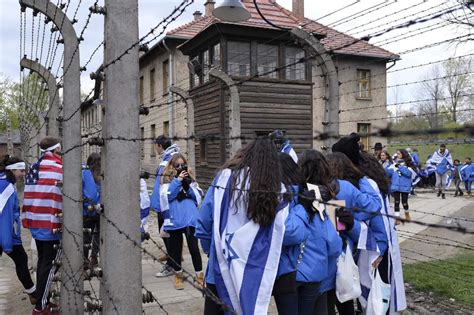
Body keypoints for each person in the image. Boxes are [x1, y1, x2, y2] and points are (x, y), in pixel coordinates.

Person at [196, 138, 288, 315]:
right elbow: (283, 231)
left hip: (219, 269)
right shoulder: (277, 189)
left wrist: (213, 251)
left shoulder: (224, 180)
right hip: (253, 271)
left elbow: (204, 223)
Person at [357, 152, 407, 314]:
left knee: (377, 293)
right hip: (383, 243)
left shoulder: (367, 184)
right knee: (381, 291)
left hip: (377, 246)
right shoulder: (377, 182)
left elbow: (375, 216)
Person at [298, 150, 343, 315]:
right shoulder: (332, 195)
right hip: (324, 271)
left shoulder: (295, 194)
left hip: (296, 271)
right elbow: (336, 239)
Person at [22, 137, 62, 314]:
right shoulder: (59, 168)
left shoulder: (33, 168)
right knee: (50, 264)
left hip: (36, 222)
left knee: (43, 263)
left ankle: (41, 298)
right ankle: (41, 307)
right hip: (51, 223)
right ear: (56, 150)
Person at [272, 153, 311, 315]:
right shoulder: (300, 194)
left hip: (286, 266)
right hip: (301, 266)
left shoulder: (292, 194)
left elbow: (292, 232)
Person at [158, 153, 203, 290]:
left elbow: (198, 196)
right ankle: (178, 276)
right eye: (177, 165)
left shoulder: (191, 180)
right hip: (175, 221)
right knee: (176, 251)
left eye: (182, 164)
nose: (180, 167)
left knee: (194, 249)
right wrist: (177, 181)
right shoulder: (166, 181)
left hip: (190, 220)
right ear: (171, 165)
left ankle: (200, 276)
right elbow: (166, 197)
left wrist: (188, 187)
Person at [0, 155, 37, 306]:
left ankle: (33, 293)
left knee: (21, 259)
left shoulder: (5, 182)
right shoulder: (7, 187)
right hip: (6, 235)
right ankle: (34, 294)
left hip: (6, 234)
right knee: (21, 259)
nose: (23, 173)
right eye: (21, 170)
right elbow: (5, 217)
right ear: (12, 170)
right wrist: (7, 243)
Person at [150, 135, 180, 272]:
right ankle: (172, 256)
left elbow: (163, 185)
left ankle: (173, 263)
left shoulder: (169, 160)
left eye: (155, 145)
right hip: (164, 202)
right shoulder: (169, 157)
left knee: (167, 233)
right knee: (168, 233)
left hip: (165, 203)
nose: (154, 148)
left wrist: (157, 203)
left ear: (159, 146)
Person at [387, 149, 416, 224]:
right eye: (396, 153)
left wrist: (400, 167)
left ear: (403, 154)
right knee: (396, 202)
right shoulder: (394, 163)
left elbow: (408, 174)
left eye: (399, 153)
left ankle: (407, 213)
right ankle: (397, 218)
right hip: (395, 186)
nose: (397, 155)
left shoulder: (407, 165)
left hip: (405, 186)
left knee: (404, 202)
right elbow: (388, 173)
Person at [82, 153, 101, 267]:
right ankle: (92, 258)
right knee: (96, 236)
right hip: (98, 210)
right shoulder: (101, 173)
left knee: (87, 237)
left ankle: (86, 260)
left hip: (88, 211)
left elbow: (90, 195)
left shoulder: (86, 173)